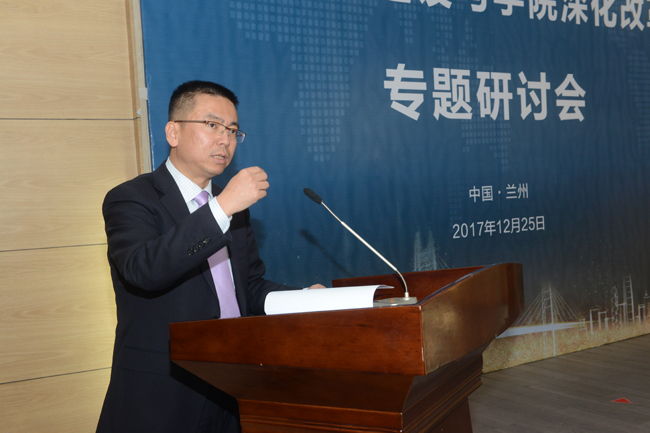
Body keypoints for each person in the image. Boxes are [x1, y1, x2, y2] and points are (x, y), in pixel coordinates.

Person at [97, 80, 323, 433]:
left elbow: (248, 288)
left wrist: (302, 300)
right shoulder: (132, 198)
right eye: (212, 125)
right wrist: (222, 208)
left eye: (232, 130)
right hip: (165, 394)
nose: (225, 139)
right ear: (173, 132)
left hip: (232, 386)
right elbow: (144, 270)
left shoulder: (232, 207)